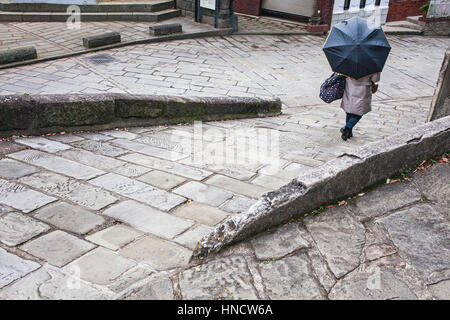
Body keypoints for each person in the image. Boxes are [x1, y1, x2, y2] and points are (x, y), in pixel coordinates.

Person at [340, 72, 381, 141]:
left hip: (350, 86)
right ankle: (347, 128)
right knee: (358, 112)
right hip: (363, 89)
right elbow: (375, 79)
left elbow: (343, 73)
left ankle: (349, 131)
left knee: (350, 109)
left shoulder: (350, 61)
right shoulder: (373, 64)